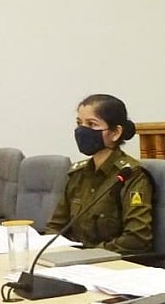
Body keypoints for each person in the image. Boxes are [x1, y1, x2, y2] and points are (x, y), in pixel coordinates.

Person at [46, 94, 153, 254]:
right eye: (79, 123)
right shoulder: (77, 174)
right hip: (75, 263)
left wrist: (88, 254)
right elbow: (56, 228)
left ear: (115, 133)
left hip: (113, 264)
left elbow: (136, 238)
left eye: (91, 124)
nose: (82, 130)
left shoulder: (131, 175)